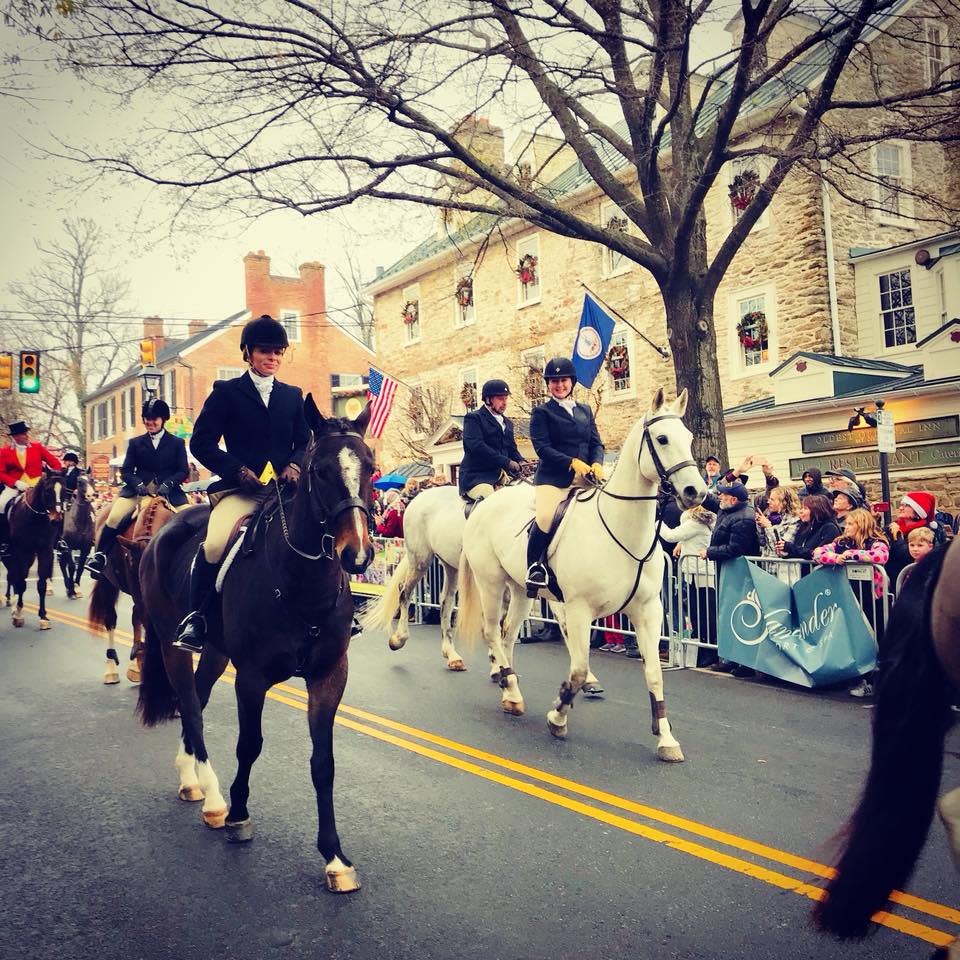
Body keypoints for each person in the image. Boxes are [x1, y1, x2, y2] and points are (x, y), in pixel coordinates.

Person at [173, 314, 310, 652]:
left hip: (285, 490)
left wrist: (295, 463)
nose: (273, 358)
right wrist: (236, 471)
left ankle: (337, 610)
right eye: (266, 351)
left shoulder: (292, 396)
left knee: (323, 531)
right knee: (216, 543)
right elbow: (201, 443)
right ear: (248, 353)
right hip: (243, 490)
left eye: (279, 352)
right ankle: (197, 618)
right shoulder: (226, 393)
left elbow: (304, 440)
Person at [525, 357, 604, 597]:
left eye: (563, 380)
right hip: (553, 478)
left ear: (571, 382)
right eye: (555, 381)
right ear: (549, 385)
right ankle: (535, 566)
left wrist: (598, 463)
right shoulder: (541, 412)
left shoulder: (585, 410)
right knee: (547, 516)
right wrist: (570, 462)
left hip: (586, 477)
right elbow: (542, 448)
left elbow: (595, 442)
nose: (559, 385)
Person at [87, 398, 190, 579]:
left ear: (163, 419)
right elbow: (126, 470)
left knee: (191, 519)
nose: (149, 422)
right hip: (138, 491)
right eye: (146, 418)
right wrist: (138, 484)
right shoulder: (135, 443)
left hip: (170, 492)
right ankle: (100, 555)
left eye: (154, 418)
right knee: (115, 516)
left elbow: (182, 470)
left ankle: (192, 560)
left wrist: (168, 484)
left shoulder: (177, 443)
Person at [813, 509, 890, 698]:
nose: (845, 527)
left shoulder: (876, 542)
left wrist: (851, 555)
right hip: (848, 595)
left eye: (850, 524)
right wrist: (835, 558)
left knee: (873, 636)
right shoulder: (841, 542)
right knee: (853, 637)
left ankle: (874, 680)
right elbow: (817, 552)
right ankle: (858, 678)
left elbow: (881, 557)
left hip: (872, 598)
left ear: (861, 524)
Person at [700, 481, 760, 674]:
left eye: (724, 495)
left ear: (733, 499)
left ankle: (745, 661)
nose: (720, 497)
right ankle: (730, 658)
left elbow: (736, 549)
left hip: (740, 573)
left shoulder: (744, 518)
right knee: (727, 613)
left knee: (742, 615)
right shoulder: (726, 511)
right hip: (728, 570)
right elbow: (708, 499)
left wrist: (710, 552)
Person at [0, 420, 63, 559]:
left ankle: (60, 541)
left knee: (56, 504)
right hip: (15, 486)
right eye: (22, 434)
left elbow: (54, 462)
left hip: (37, 486)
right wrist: (15, 482)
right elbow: (1, 473)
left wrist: (55, 475)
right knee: (1, 505)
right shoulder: (4, 452)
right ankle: (4, 542)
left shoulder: (37, 447)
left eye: (26, 433)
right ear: (15, 436)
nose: (26, 435)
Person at [663, 504, 717, 665]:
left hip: (700, 572)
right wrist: (682, 542)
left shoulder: (695, 523)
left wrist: (656, 521)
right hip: (696, 572)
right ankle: (704, 648)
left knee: (703, 614)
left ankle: (708, 650)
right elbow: (684, 537)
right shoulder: (702, 523)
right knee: (697, 613)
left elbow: (670, 535)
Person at [458, 379, 523, 504]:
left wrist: (521, 461)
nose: (504, 403)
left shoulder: (507, 423)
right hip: (477, 477)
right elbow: (477, 447)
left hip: (500, 476)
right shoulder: (474, 418)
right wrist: (507, 462)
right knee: (493, 503)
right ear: (488, 400)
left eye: (505, 398)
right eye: (500, 399)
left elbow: (512, 449)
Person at [885, 491, 942, 588]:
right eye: (901, 505)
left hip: (912, 584)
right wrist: (875, 519)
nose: (901, 508)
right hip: (893, 582)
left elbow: (908, 554)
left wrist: (897, 535)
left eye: (906, 505)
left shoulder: (926, 531)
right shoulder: (894, 526)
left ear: (917, 512)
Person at [756, 484, 802, 584]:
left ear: (783, 502)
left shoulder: (795, 520)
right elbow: (763, 543)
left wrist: (768, 527)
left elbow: (781, 549)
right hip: (768, 570)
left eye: (772, 500)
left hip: (784, 574)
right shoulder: (771, 517)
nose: (768, 502)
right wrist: (761, 526)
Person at [776, 493, 840, 564]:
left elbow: (817, 554)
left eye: (805, 508)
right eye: (801, 508)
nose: (801, 511)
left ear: (817, 510)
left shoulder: (830, 528)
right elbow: (800, 551)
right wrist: (785, 552)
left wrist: (790, 548)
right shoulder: (805, 526)